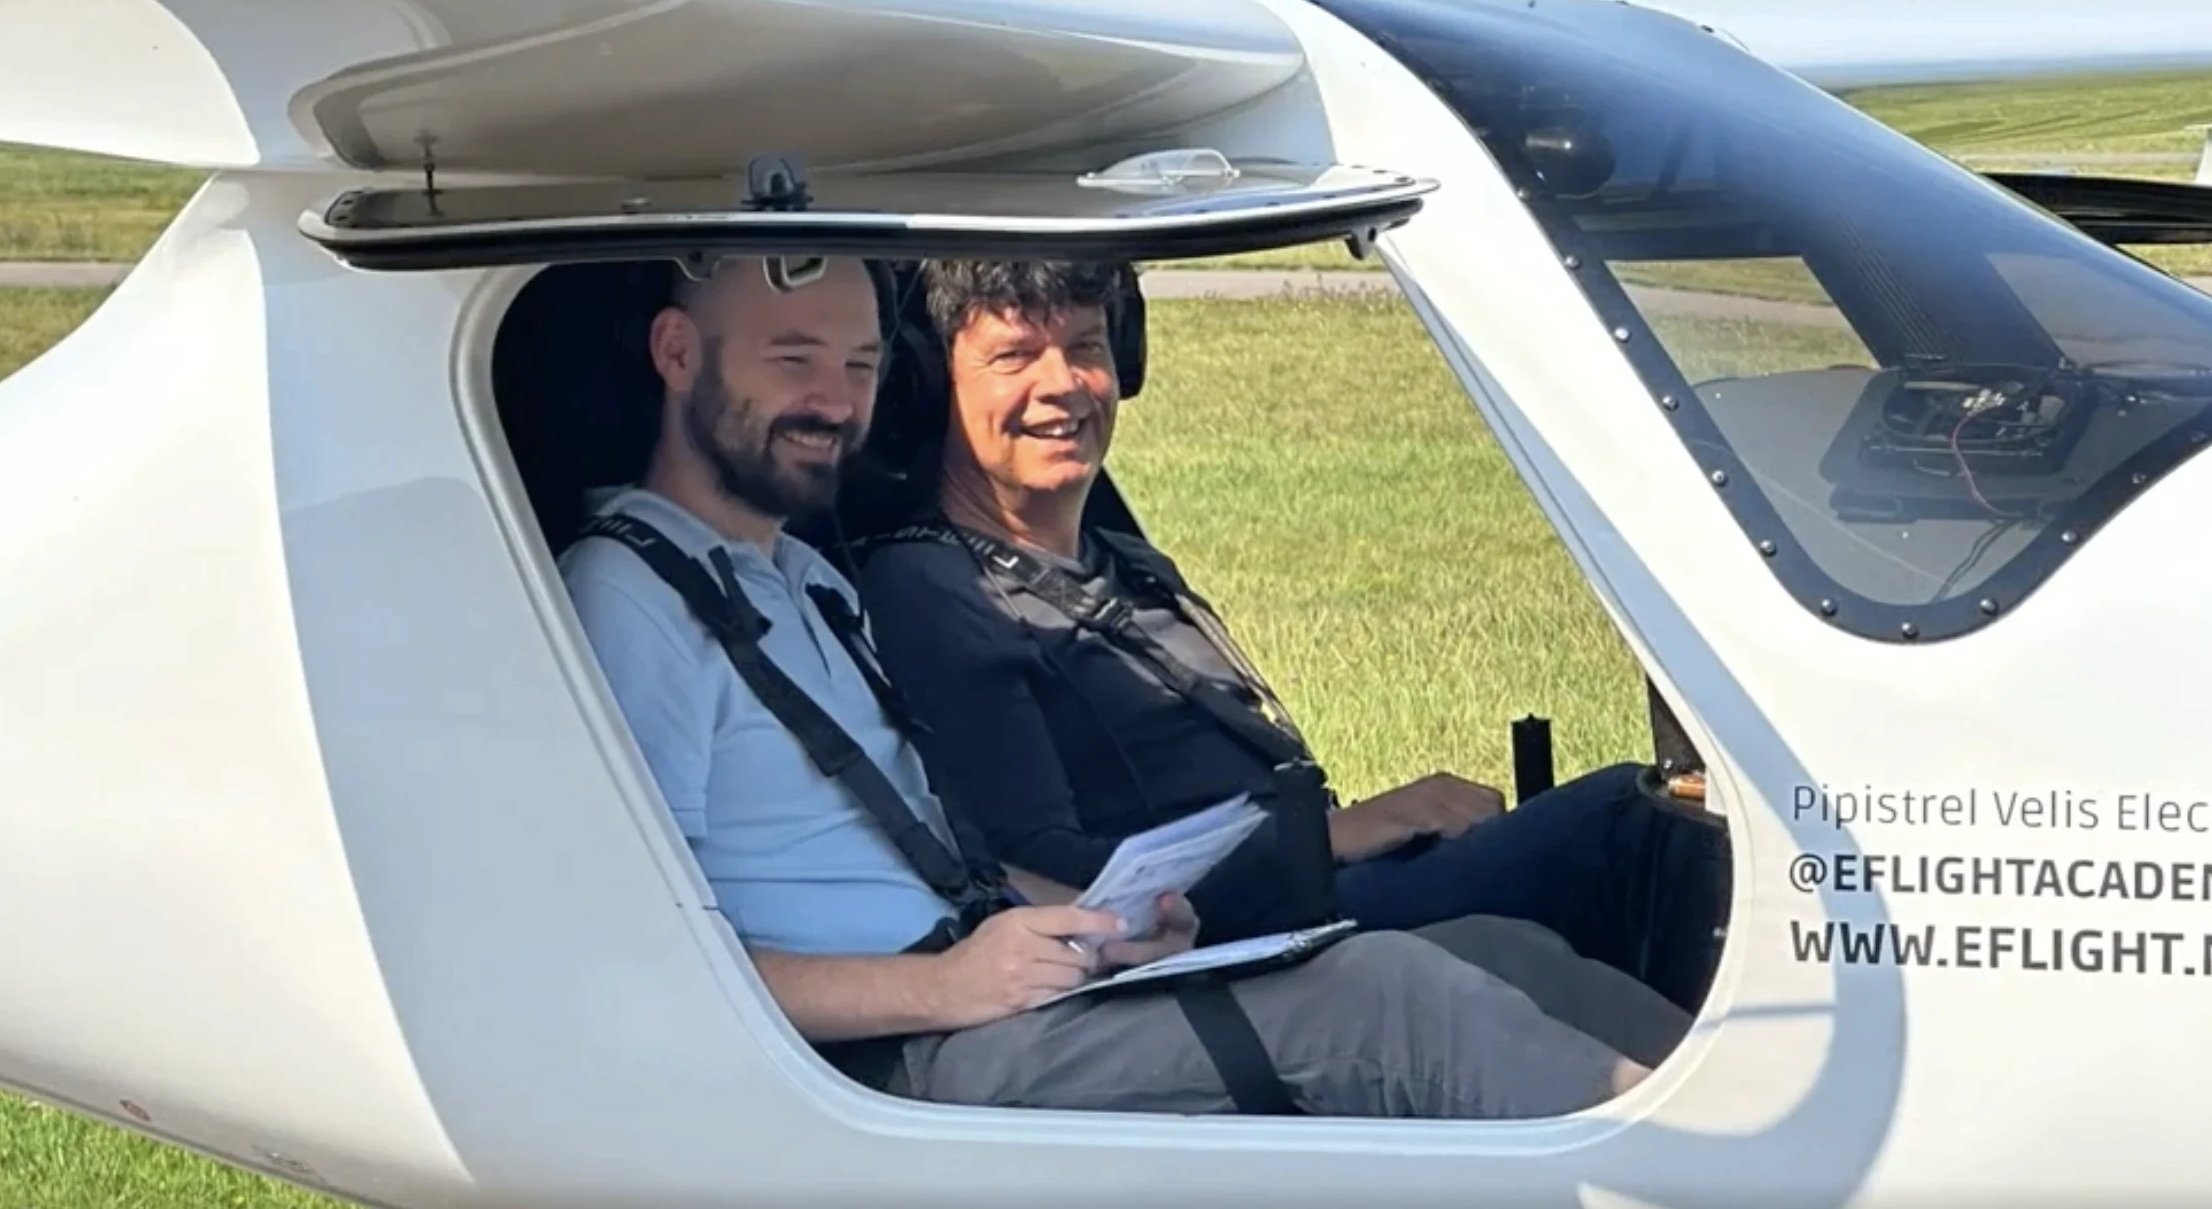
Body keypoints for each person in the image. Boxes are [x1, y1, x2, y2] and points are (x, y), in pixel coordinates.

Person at [554, 253, 1682, 1119]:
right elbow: (646, 956)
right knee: (1393, 996)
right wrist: (946, 986)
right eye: (790, 357)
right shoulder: (630, 597)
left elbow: (922, 841)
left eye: (856, 366)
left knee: (1501, 951)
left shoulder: (798, 578)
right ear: (677, 352)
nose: (835, 400)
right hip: (885, 1066)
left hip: (988, 986)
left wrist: (1099, 921)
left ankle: (1775, 1131)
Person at [845, 256, 1730, 1014]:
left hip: (1308, 892)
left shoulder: (1118, 558)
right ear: (929, 387)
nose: (1064, 384)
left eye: (1085, 346)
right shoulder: (934, 587)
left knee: (1666, 816)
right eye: (1013, 357)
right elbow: (1036, 868)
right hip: (1229, 936)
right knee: (1631, 828)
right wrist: (1337, 834)